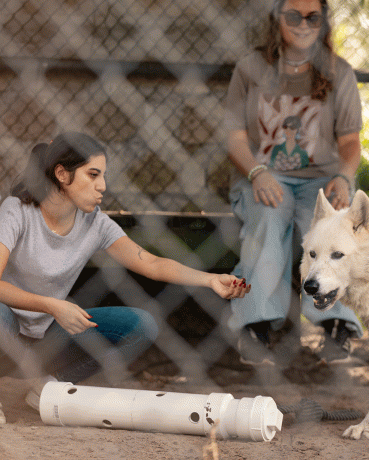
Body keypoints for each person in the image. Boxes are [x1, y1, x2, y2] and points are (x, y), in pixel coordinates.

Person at [0, 132, 250, 423]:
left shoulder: (95, 222)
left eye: (103, 176)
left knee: (141, 325)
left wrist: (209, 280)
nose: (102, 186)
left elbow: (153, 264)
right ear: (62, 174)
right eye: (93, 175)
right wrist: (53, 306)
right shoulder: (16, 211)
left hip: (47, 340)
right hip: (7, 331)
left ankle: (48, 387)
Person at [224, 0, 363, 366]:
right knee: (269, 218)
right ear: (277, 21)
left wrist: (344, 178)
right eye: (293, 16)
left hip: (320, 179)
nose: (303, 24)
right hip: (263, 177)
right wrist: (256, 172)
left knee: (322, 228)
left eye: (312, 17)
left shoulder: (339, 72)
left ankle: (336, 325)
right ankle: (257, 327)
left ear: (323, 23)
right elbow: (234, 137)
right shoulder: (251, 68)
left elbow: (350, 142)